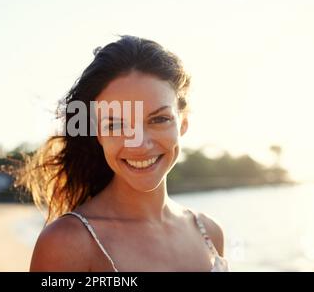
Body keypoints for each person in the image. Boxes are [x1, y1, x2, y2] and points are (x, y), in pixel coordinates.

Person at [15, 35, 229, 272]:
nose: (140, 144)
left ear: (184, 122)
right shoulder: (69, 243)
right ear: (98, 132)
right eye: (116, 125)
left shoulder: (209, 233)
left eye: (159, 119)